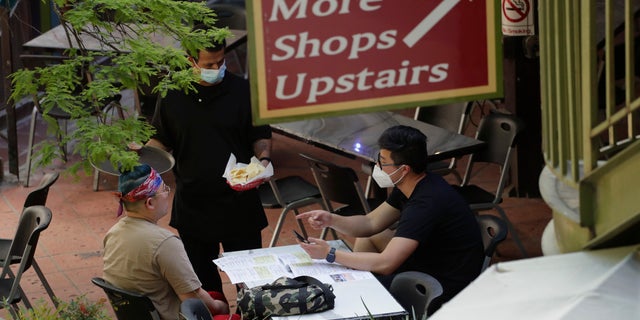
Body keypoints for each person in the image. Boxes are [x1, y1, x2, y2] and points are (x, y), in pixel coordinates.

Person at [296, 125, 484, 314]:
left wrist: (330, 254)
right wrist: (331, 219)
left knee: (357, 293)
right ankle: (358, 282)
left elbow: (387, 264)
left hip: (441, 285)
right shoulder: (412, 184)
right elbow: (370, 223)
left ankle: (366, 301)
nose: (377, 166)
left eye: (383, 162)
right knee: (368, 238)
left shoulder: (426, 203)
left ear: (404, 169)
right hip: (427, 261)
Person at [146, 24, 272, 293]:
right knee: (204, 286)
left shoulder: (242, 91)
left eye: (221, 61)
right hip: (194, 203)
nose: (217, 69)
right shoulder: (171, 94)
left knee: (252, 285)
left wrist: (262, 162)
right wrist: (143, 155)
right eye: (209, 64)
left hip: (239, 205)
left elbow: (260, 134)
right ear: (190, 60)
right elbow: (161, 139)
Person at [102, 164, 236, 320]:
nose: (168, 193)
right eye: (164, 189)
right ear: (150, 203)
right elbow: (193, 297)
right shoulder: (164, 242)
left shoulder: (112, 234)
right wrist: (221, 307)